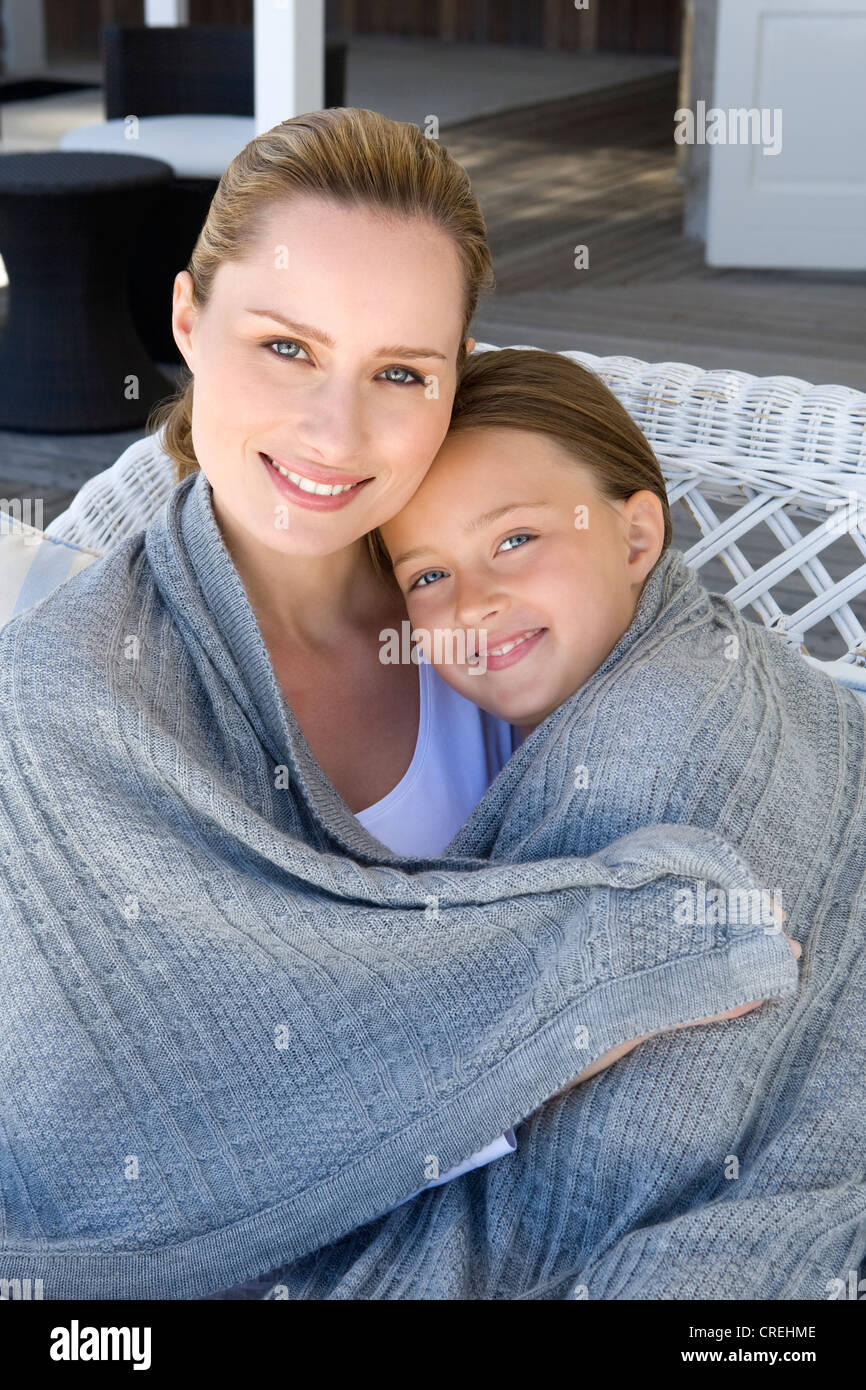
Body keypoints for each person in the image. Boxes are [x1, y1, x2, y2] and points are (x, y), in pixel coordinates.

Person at [0, 113, 800, 1303]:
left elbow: (720, 737)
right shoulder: (65, 695)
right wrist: (608, 964)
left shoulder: (500, 597)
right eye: (284, 348)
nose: (336, 431)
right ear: (185, 321)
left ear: (453, 371)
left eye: (398, 373)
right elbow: (109, 1117)